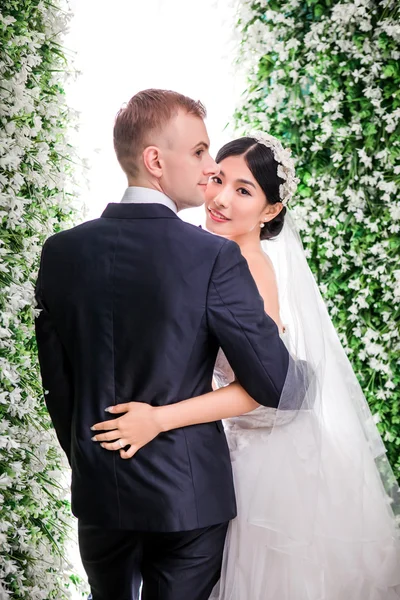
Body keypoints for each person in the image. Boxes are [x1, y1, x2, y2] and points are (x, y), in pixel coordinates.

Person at [92, 134, 400, 599]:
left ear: (270, 211)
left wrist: (156, 419)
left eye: (243, 190)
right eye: (217, 179)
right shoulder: (211, 258)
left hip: (261, 464)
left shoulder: (251, 268)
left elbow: (260, 387)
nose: (219, 198)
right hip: (223, 450)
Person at [34, 91, 293, 600]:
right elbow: (275, 381)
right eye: (199, 152)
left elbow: (57, 383)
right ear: (155, 160)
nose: (209, 166)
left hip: (99, 496)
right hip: (187, 499)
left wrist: (93, 459)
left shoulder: (60, 252)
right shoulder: (213, 257)